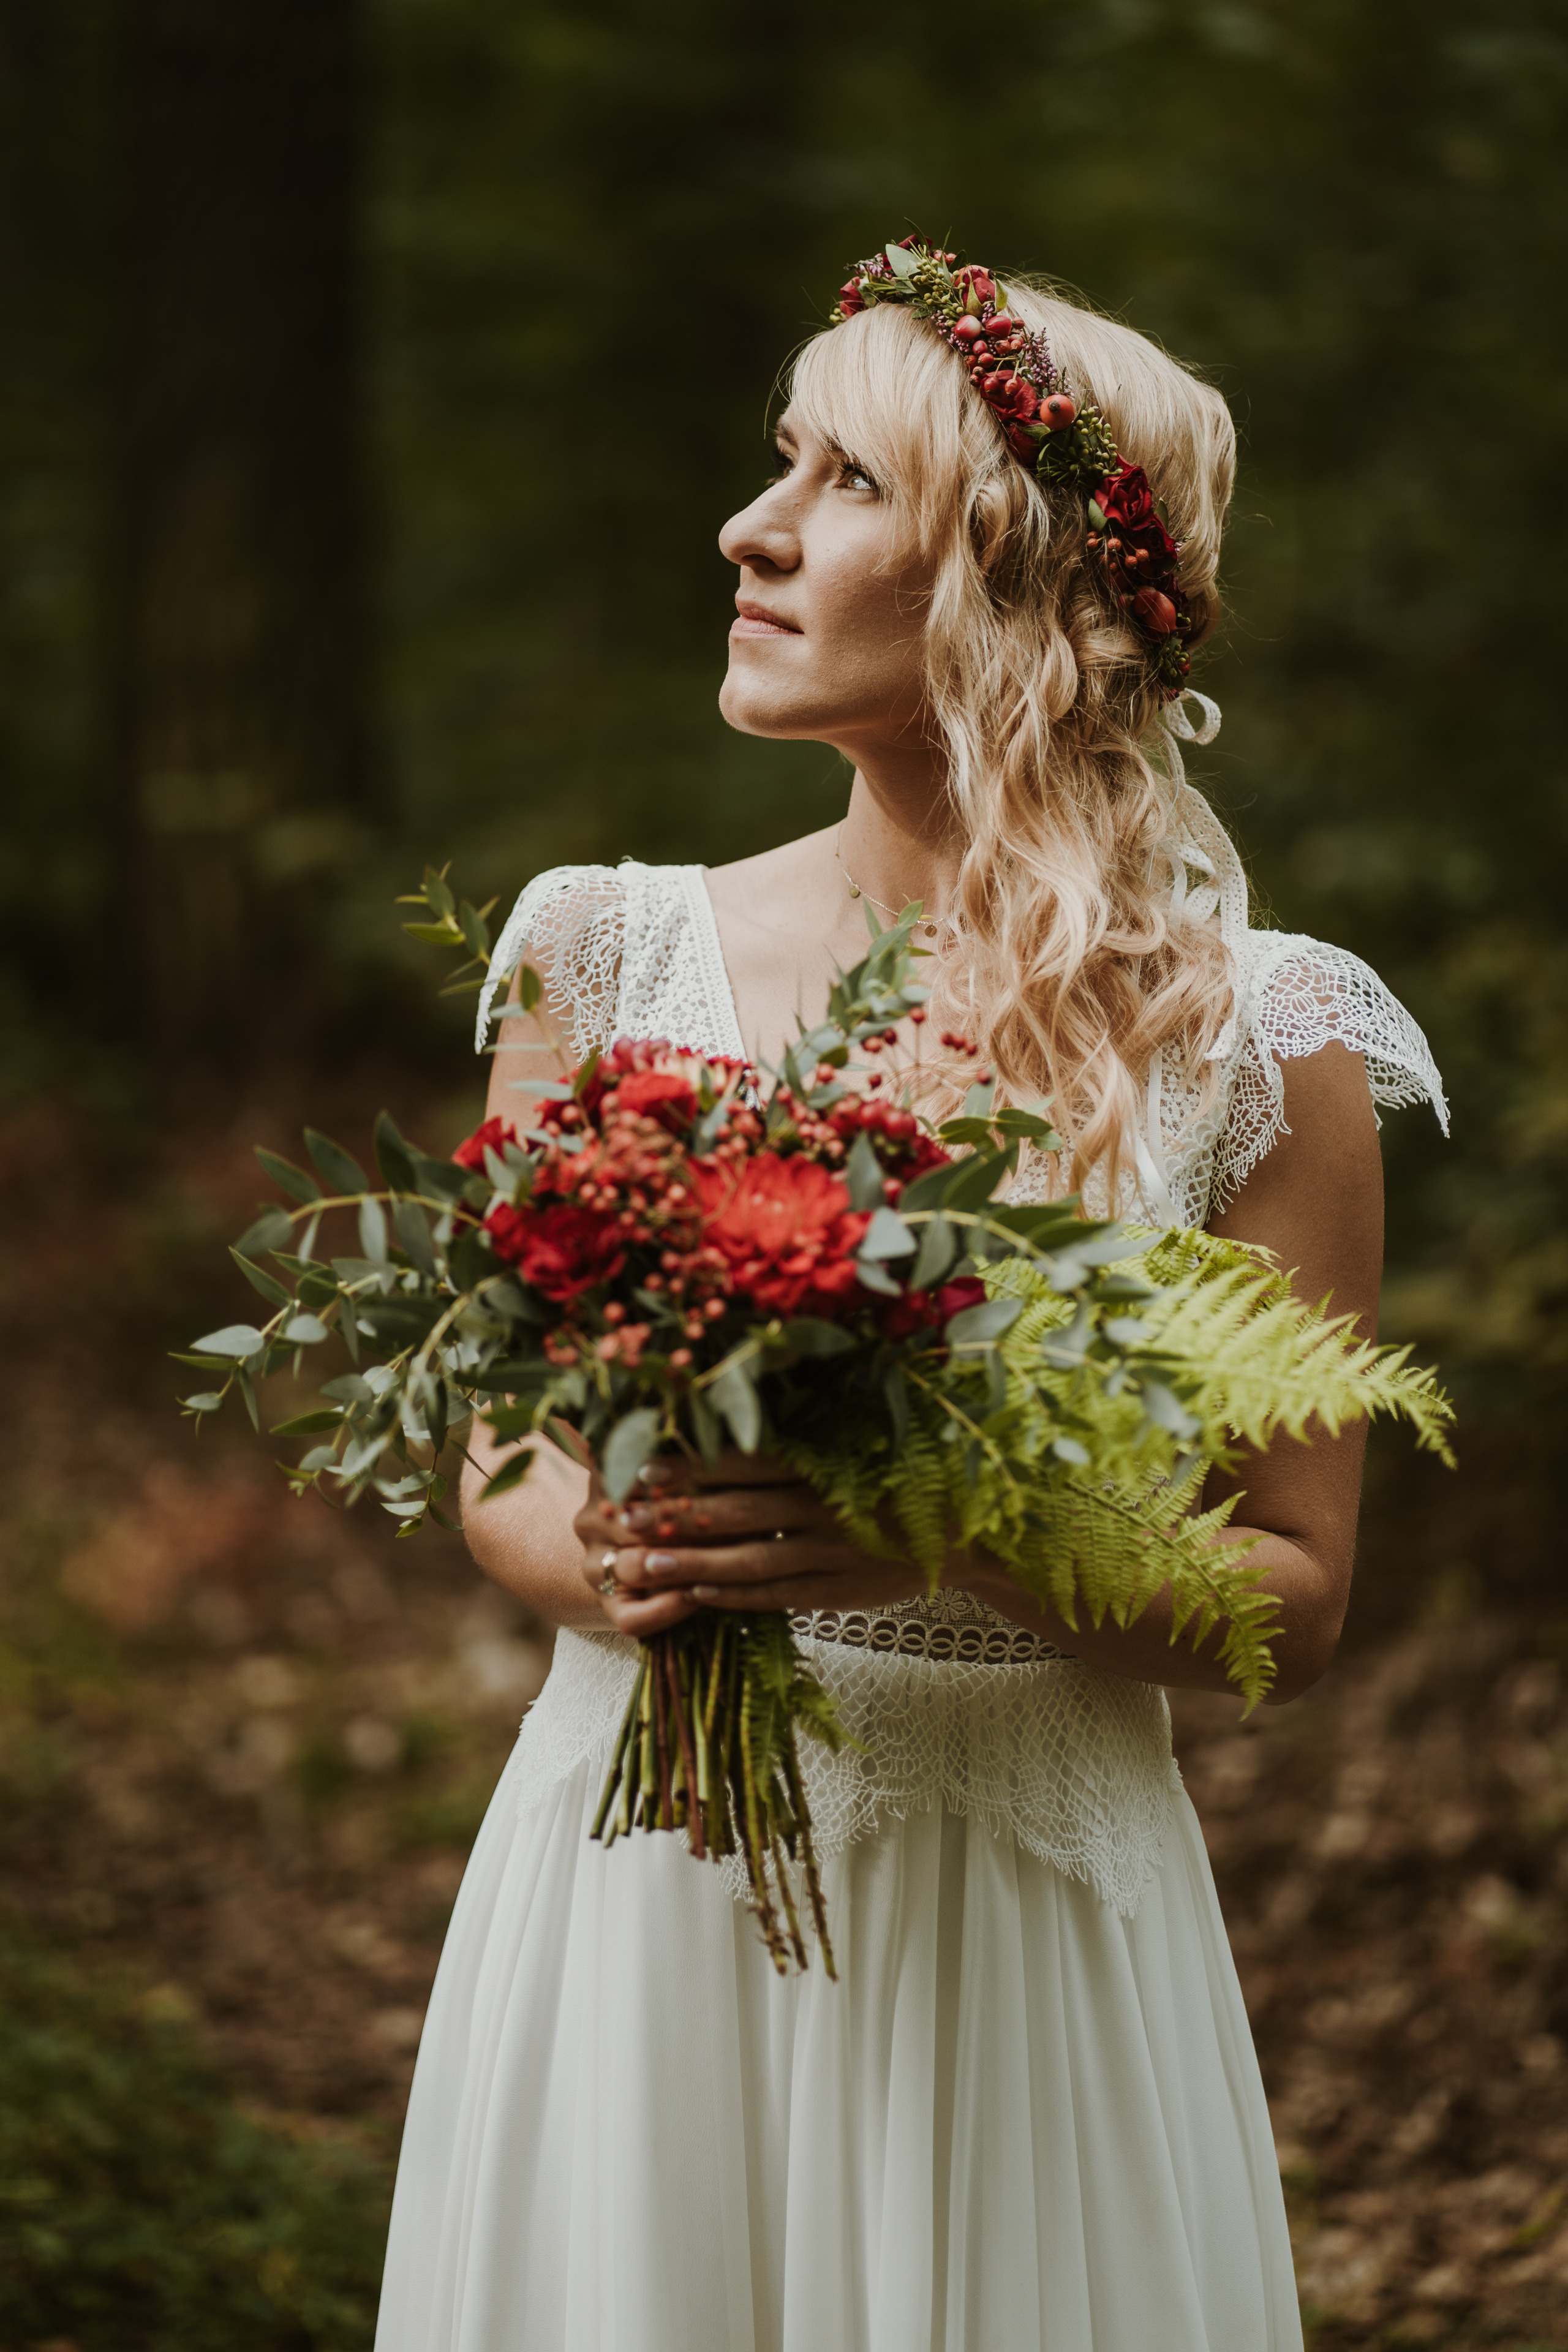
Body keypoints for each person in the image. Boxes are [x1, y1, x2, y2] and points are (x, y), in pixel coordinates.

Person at [374, 246, 1446, 2352]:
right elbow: (496, 1444)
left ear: (1014, 581)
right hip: (642, 1888)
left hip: (1023, 1925)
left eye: (841, 477)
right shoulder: (595, 955)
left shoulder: (1265, 1042)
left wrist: (943, 1535)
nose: (750, 527)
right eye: (779, 459)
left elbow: (1296, 1597)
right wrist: (615, 1555)